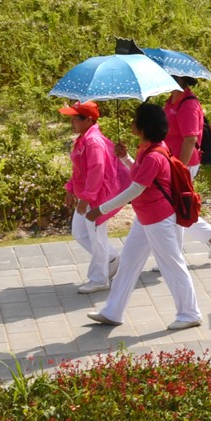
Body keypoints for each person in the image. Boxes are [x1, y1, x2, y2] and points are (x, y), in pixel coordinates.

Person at [86, 101, 203, 331]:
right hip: (146, 217)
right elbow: (139, 176)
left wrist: (101, 209)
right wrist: (125, 158)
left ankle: (190, 313)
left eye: (135, 119)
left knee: (172, 264)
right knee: (128, 262)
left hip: (158, 219)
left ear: (144, 126)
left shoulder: (154, 155)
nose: (131, 122)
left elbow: (135, 189)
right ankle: (112, 311)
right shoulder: (147, 150)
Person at [61, 99, 126, 294]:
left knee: (97, 237)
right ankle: (112, 259)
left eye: (75, 119)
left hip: (97, 198)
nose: (72, 122)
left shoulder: (93, 141)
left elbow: (96, 171)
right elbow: (79, 170)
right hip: (87, 195)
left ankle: (99, 279)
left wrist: (86, 199)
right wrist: (71, 189)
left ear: (88, 120)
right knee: (79, 232)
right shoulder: (83, 139)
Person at [164, 76, 211, 259]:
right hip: (171, 160)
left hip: (184, 162)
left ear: (179, 79)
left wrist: (180, 168)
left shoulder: (188, 104)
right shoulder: (171, 100)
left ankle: (174, 256)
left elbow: (190, 139)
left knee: (175, 207)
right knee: (176, 207)